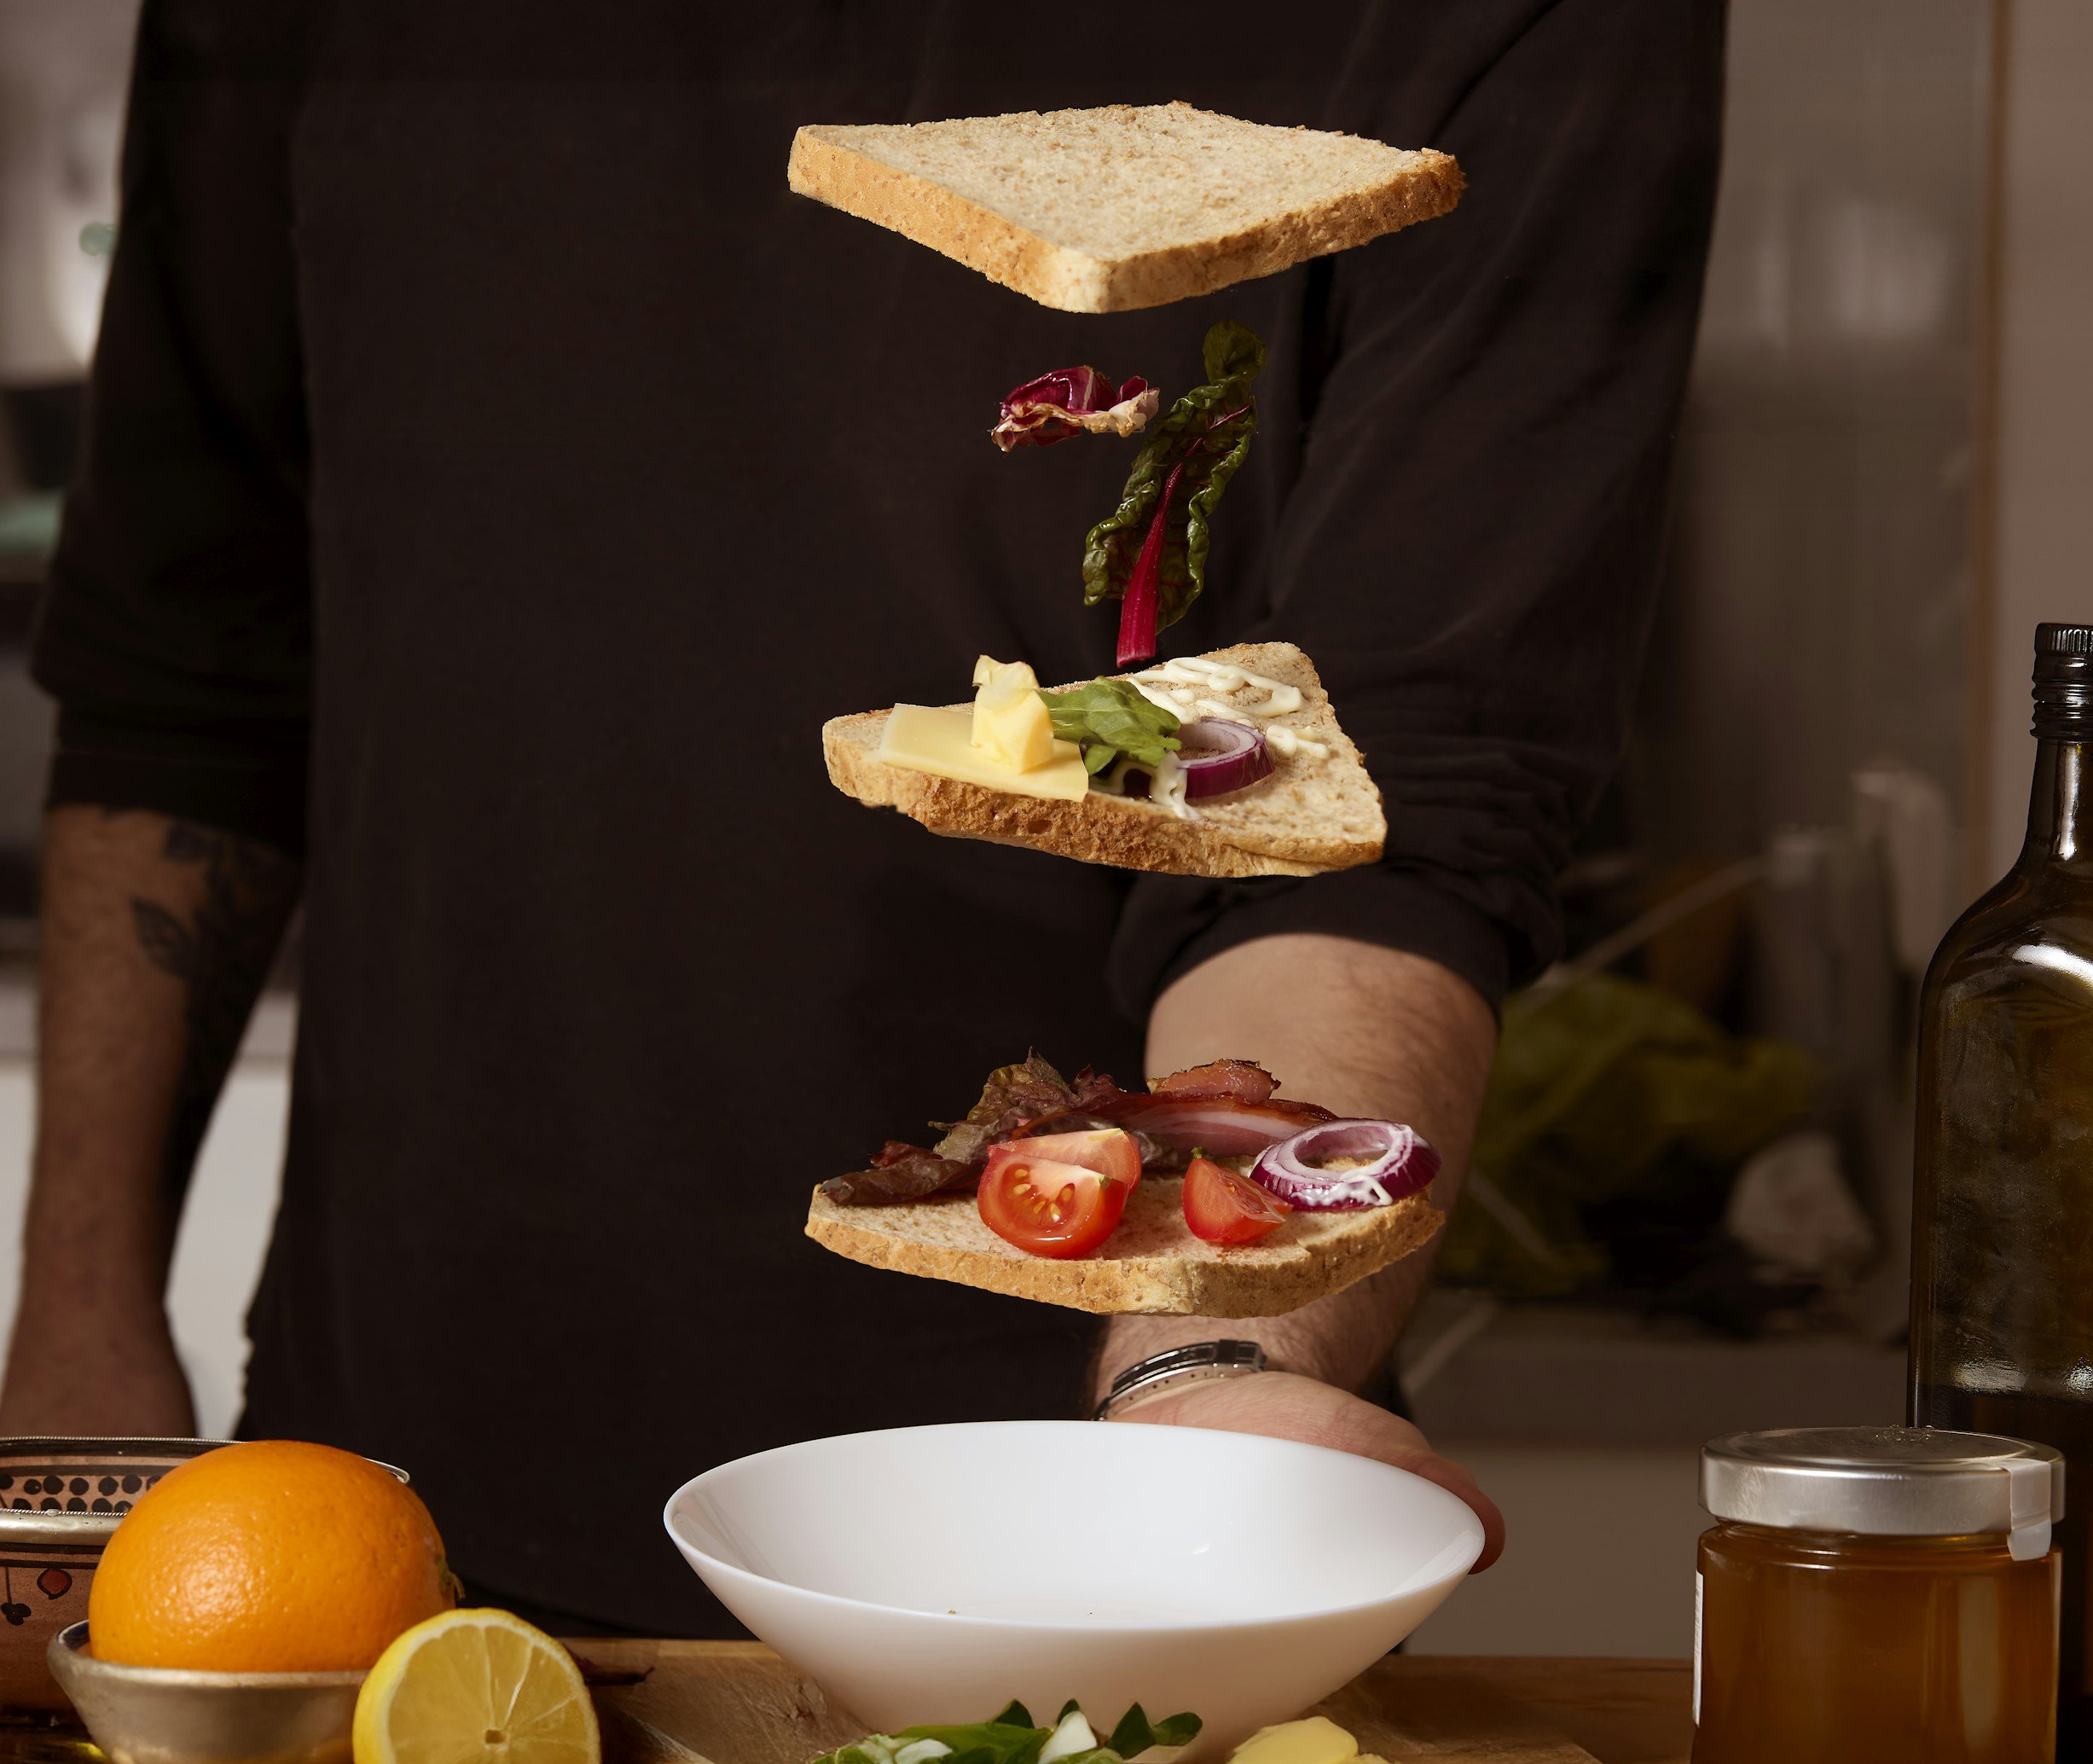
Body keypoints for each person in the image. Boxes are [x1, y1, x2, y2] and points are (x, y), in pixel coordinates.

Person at [0, 0, 1723, 1633]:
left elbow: (1381, 793)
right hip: (363, 1521)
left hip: (1076, 1536)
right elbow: (189, 663)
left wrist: (1200, 1372)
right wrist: (74, 1332)